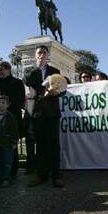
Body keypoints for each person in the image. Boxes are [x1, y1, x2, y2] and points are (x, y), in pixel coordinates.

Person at [23, 45, 64, 188]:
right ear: (36, 56)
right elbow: (27, 82)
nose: (41, 55)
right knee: (40, 145)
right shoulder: (30, 71)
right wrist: (37, 67)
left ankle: (56, 176)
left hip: (52, 112)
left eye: (44, 53)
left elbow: (63, 89)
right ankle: (41, 175)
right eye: (39, 53)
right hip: (37, 113)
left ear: (47, 55)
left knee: (54, 144)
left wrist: (56, 93)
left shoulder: (54, 71)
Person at [0, 61, 25, 178]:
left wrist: (6, 110)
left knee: (11, 146)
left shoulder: (17, 83)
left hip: (11, 119)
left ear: (8, 69)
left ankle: (11, 171)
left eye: (2, 69)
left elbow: (20, 100)